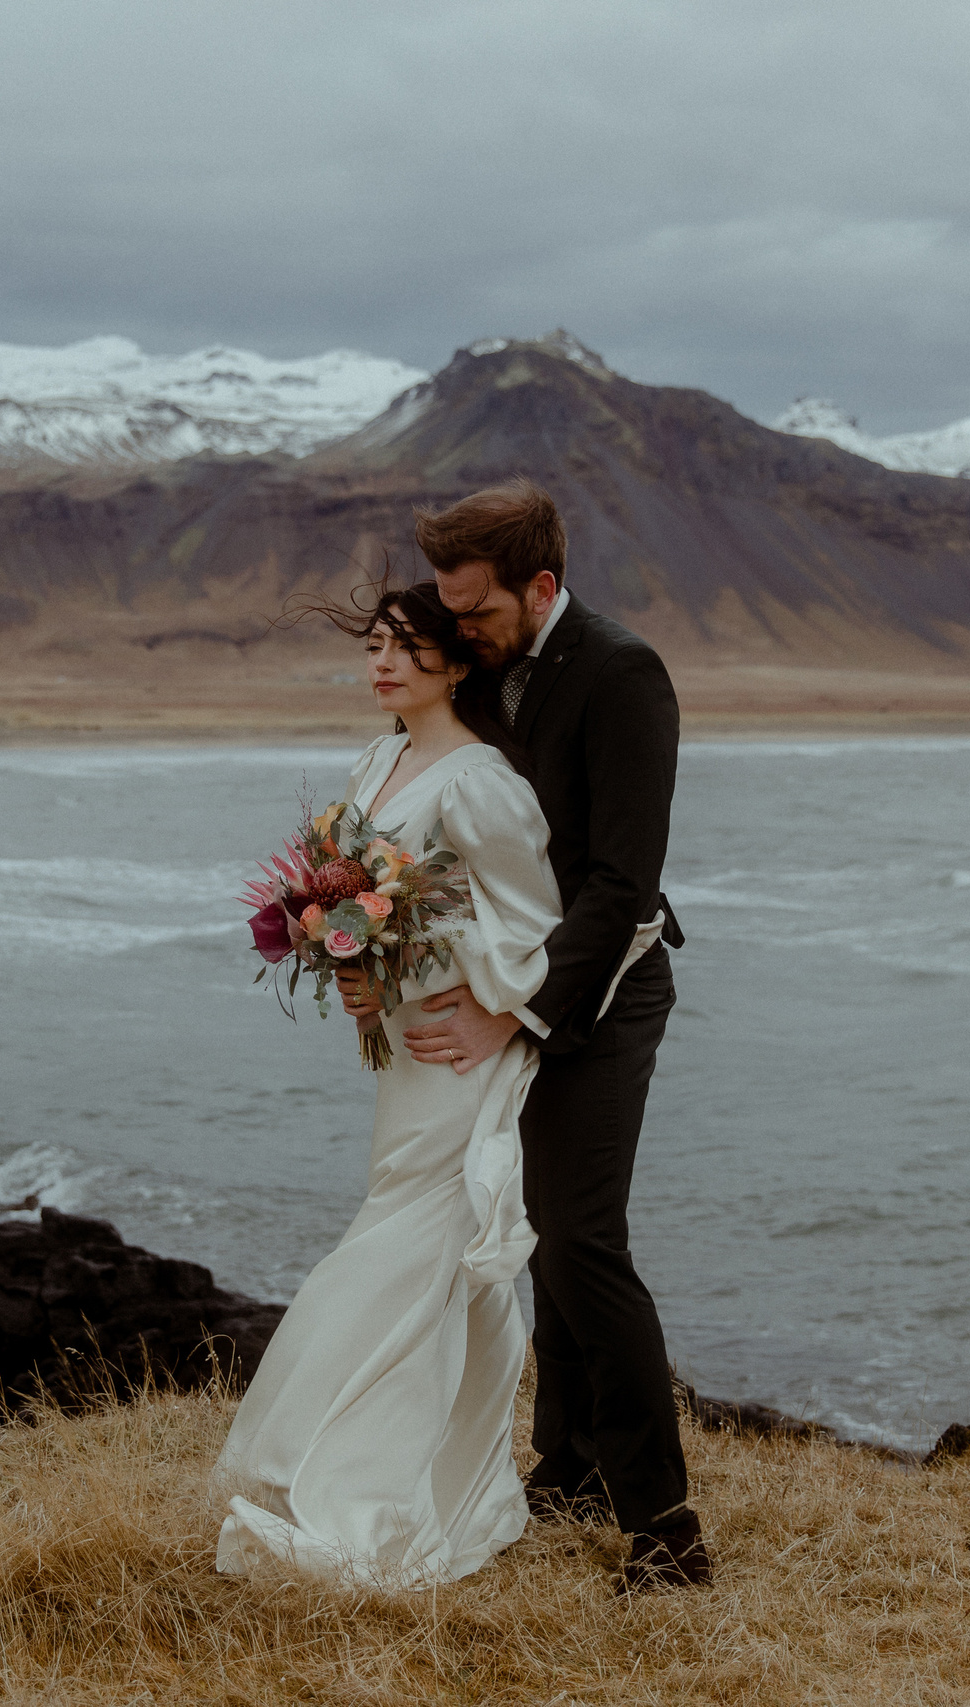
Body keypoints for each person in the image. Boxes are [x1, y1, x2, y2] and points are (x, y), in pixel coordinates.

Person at [364, 478, 707, 1591]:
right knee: (536, 1238)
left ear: (541, 586)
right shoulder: (493, 664)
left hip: (603, 995)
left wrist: (509, 1010)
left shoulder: (621, 673)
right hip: (518, 987)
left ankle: (666, 1530)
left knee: (582, 1244)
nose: (458, 628)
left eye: (475, 609)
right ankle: (564, 1474)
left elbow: (618, 885)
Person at [212, 581, 561, 1589]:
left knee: (413, 1244)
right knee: (422, 1244)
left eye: (407, 648)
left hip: (461, 1044)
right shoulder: (376, 761)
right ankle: (457, 1469)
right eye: (373, 647)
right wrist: (354, 965)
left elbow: (531, 917)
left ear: (456, 664)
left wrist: (490, 1002)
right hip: (404, 1047)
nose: (384, 664)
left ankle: (366, 1494)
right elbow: (363, 893)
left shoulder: (480, 778)